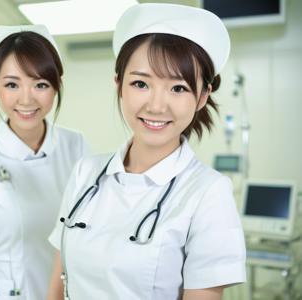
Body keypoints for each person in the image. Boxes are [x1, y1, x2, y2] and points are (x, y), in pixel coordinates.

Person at [47, 3, 246, 300]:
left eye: (177, 88)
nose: (156, 105)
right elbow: (58, 282)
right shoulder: (84, 173)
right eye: (141, 83)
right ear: (119, 84)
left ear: (203, 96)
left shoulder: (208, 193)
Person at [0, 25, 89, 300]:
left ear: (56, 85)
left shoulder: (76, 146)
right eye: (12, 84)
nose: (26, 99)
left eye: (40, 84)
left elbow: (85, 239)